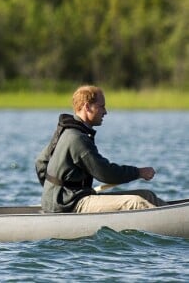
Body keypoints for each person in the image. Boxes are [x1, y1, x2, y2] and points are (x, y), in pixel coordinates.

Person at [35, 85, 167, 213]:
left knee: (147, 196)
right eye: (101, 106)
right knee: (135, 203)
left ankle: (173, 215)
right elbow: (105, 173)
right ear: (87, 107)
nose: (105, 112)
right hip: (68, 204)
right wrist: (138, 172)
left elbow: (41, 163)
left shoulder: (66, 131)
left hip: (64, 200)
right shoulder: (77, 138)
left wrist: (51, 193)